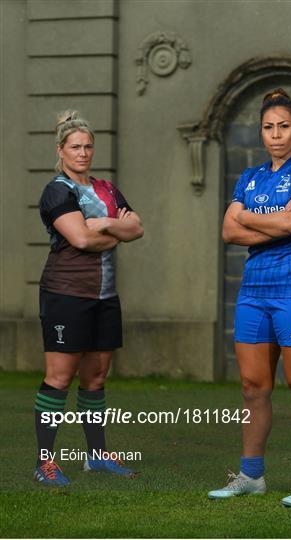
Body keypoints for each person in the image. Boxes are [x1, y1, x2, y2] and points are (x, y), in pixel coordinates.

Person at [208, 89, 291, 507]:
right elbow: (228, 232)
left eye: (283, 126)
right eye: (268, 127)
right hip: (253, 294)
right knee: (252, 388)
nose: (275, 135)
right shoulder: (250, 176)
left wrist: (246, 215)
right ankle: (251, 476)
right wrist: (270, 223)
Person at [34, 111, 144, 486]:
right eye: (75, 147)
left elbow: (137, 227)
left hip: (105, 296)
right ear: (61, 150)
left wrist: (105, 224)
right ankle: (44, 462)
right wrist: (115, 231)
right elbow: (80, 239)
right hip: (66, 294)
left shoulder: (107, 189)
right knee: (59, 378)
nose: (82, 153)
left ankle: (96, 455)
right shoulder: (57, 190)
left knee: (96, 378)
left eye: (88, 146)